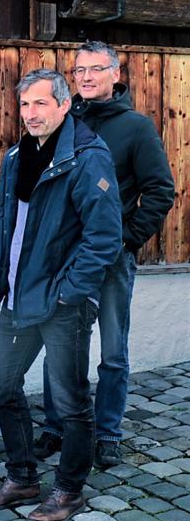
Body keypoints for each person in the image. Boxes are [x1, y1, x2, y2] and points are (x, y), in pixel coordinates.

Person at [0, 70, 122, 521]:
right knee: (2, 385)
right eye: (24, 105)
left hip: (61, 305)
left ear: (63, 105)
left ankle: (69, 490)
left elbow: (104, 238)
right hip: (18, 298)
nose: (31, 114)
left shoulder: (86, 157)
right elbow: (15, 228)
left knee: (70, 400)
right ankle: (22, 478)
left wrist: (69, 294)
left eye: (40, 104)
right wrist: (6, 282)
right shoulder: (19, 155)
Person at [35, 41, 176, 468]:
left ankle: (109, 431)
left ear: (116, 74)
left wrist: (126, 239)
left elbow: (160, 191)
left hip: (112, 260)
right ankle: (55, 426)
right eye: (79, 70)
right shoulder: (63, 122)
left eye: (96, 69)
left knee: (113, 350)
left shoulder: (135, 127)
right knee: (58, 345)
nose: (86, 77)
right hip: (66, 258)